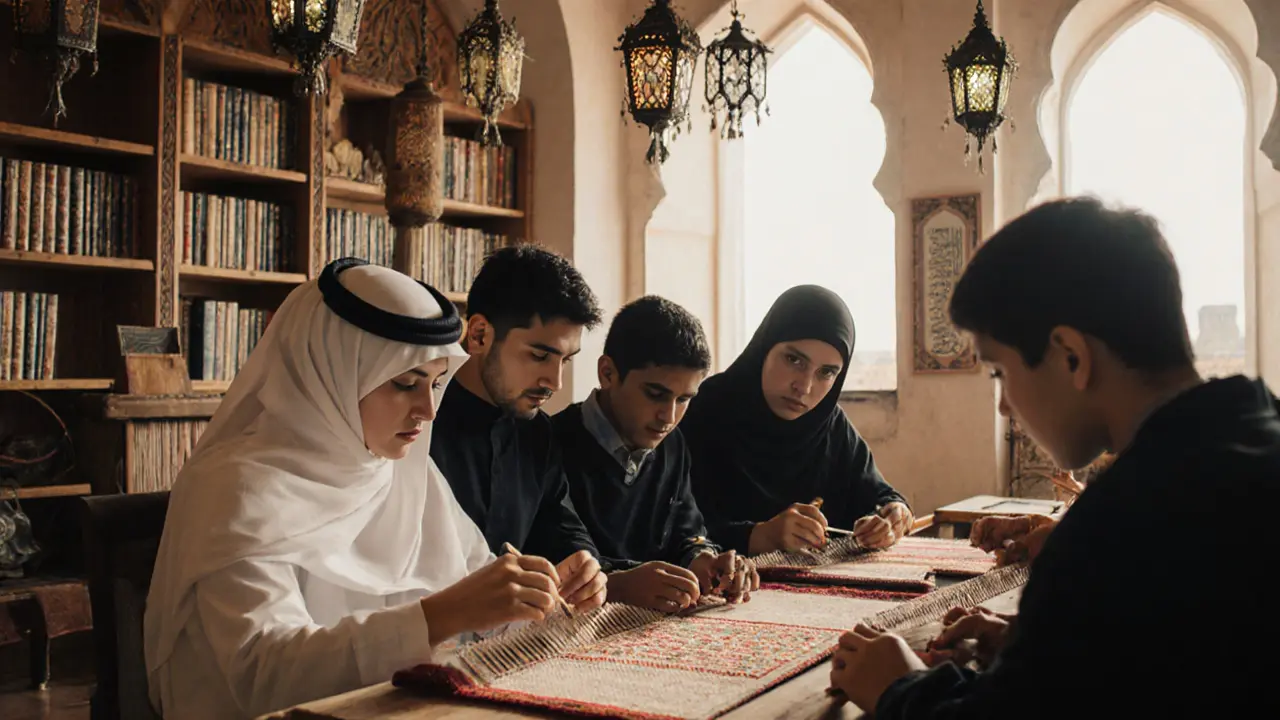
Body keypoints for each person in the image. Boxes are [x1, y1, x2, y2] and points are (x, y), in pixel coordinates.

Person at [828, 197, 1280, 718]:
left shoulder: (1116, 527)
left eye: (1000, 372)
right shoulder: (1249, 438)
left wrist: (899, 688)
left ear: (1071, 355)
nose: (1004, 404)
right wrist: (1032, 647)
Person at [143, 259, 581, 720]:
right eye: (405, 384)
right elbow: (261, 673)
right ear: (331, 373)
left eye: (435, 383)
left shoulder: (403, 472)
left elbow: (479, 588)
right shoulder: (236, 487)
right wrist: (437, 618)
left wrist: (543, 597)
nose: (428, 410)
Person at [553, 296, 760, 612]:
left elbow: (688, 530)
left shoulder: (672, 444)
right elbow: (557, 555)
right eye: (655, 394)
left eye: (684, 399)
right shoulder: (550, 443)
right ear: (607, 373)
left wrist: (705, 560)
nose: (668, 416)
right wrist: (619, 584)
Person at [430, 244, 612, 593]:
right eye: (540, 355)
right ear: (480, 335)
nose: (555, 382)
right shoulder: (416, 421)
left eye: (566, 360)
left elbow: (559, 524)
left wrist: (585, 564)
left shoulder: (536, 431)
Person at [681, 285, 912, 555]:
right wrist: (758, 535)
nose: (804, 387)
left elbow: (879, 495)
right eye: (794, 360)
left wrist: (894, 515)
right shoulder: (699, 411)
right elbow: (669, 529)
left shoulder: (829, 426)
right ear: (764, 347)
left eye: (826, 373)